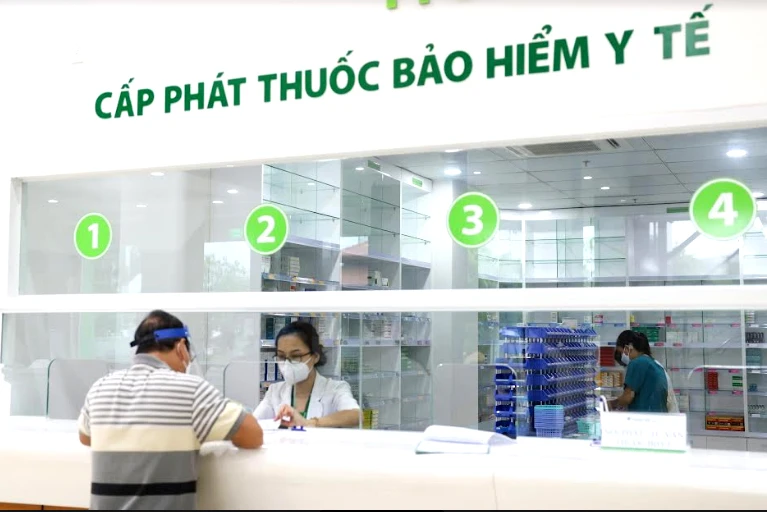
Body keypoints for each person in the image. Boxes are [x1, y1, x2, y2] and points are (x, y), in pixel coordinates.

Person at [77, 310, 263, 511]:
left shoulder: (100, 388)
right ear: (181, 347)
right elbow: (253, 435)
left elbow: (86, 437)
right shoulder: (190, 389)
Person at [255, 321, 361, 428]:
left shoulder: (336, 389)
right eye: (282, 357)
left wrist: (309, 423)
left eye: (296, 356)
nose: (287, 363)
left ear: (315, 356)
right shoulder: (275, 391)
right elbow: (254, 421)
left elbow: (355, 415)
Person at [614, 330, 679, 413]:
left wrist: (610, 404)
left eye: (621, 352)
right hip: (661, 415)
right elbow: (633, 393)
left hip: (647, 417)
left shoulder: (637, 363)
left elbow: (627, 397)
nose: (622, 357)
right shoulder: (654, 364)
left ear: (628, 348)